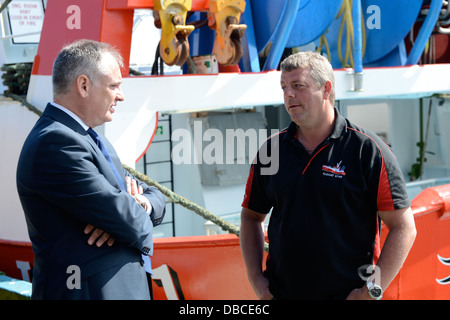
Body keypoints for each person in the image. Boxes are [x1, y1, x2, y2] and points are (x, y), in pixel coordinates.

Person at [239, 51, 417, 300]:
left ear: (326, 89)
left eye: (298, 86)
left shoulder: (368, 150)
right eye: (284, 87)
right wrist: (258, 282)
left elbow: (404, 228)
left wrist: (371, 292)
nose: (288, 94)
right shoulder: (271, 151)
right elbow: (250, 217)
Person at [16, 39, 166, 300]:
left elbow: (155, 198)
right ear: (83, 85)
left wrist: (137, 203)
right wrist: (124, 212)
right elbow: (128, 221)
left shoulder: (90, 139)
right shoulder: (56, 144)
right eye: (114, 86)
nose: (120, 95)